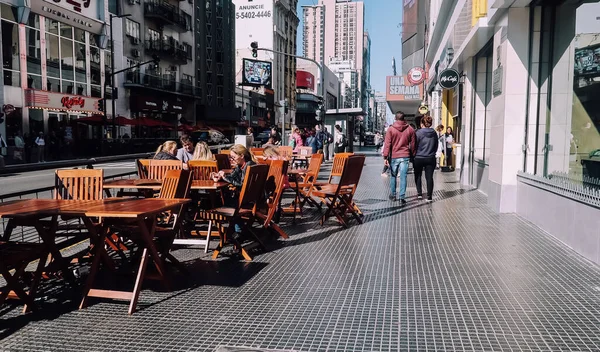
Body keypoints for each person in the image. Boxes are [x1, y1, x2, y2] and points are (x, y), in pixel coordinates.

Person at [382, 111, 416, 204]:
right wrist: (413, 154)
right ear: (404, 118)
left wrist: (385, 157)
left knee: (393, 176)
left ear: (395, 119)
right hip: (405, 155)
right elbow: (413, 144)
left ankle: (393, 195)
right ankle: (402, 197)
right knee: (403, 177)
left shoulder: (391, 129)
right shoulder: (410, 129)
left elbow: (387, 144)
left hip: (394, 156)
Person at [414, 115, 438, 202]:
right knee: (429, 177)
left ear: (422, 123)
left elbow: (414, 145)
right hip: (430, 157)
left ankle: (419, 194)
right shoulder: (434, 133)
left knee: (418, 175)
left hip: (419, 157)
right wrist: (432, 152)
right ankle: (429, 196)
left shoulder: (418, 133)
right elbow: (436, 145)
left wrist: (414, 154)